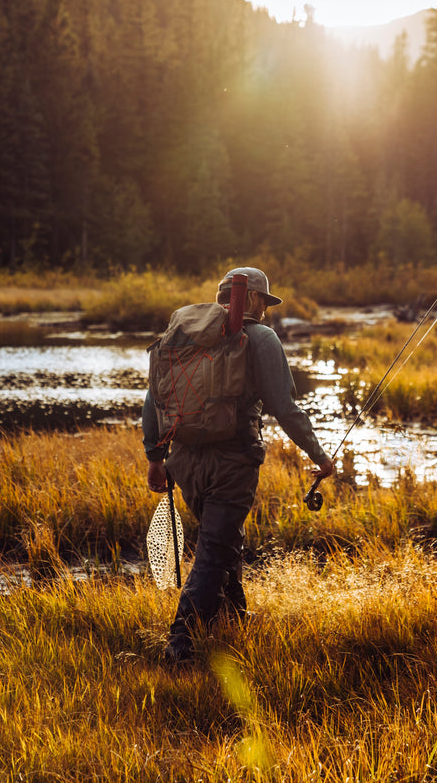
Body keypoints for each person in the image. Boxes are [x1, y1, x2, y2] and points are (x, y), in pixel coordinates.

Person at [142, 266, 335, 665]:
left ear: (222, 298)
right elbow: (284, 406)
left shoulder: (184, 338)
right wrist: (319, 456)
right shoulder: (261, 337)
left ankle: (234, 618)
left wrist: (155, 459)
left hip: (185, 462)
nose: (265, 309)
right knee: (214, 552)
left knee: (224, 541)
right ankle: (181, 644)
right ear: (255, 301)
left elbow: (154, 400)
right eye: (264, 301)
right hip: (233, 463)